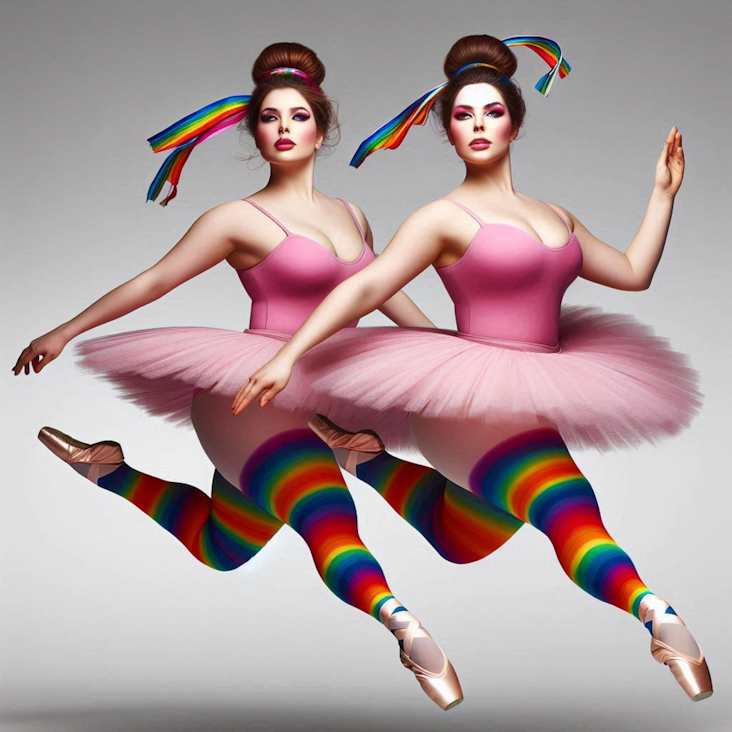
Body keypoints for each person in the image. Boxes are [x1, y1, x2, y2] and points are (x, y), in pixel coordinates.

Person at [232, 34, 712, 702]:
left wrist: (663, 194)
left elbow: (633, 274)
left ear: (515, 122)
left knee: (464, 538)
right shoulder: (442, 217)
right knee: (567, 506)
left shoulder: (558, 216)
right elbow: (364, 288)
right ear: (447, 132)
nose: (479, 126)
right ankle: (658, 615)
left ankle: (363, 458)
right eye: (463, 116)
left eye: (490, 113)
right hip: (469, 400)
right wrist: (287, 355)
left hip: (538, 390)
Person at [12, 42, 465, 710]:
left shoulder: (353, 217)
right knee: (325, 514)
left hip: (328, 399)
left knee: (223, 547)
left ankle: (109, 470)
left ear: (321, 126)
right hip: (252, 390)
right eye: (270, 118)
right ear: (254, 131)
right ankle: (404, 625)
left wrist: (469, 359)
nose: (283, 128)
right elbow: (155, 280)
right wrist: (66, 329)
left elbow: (387, 298)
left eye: (298, 117)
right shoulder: (236, 219)